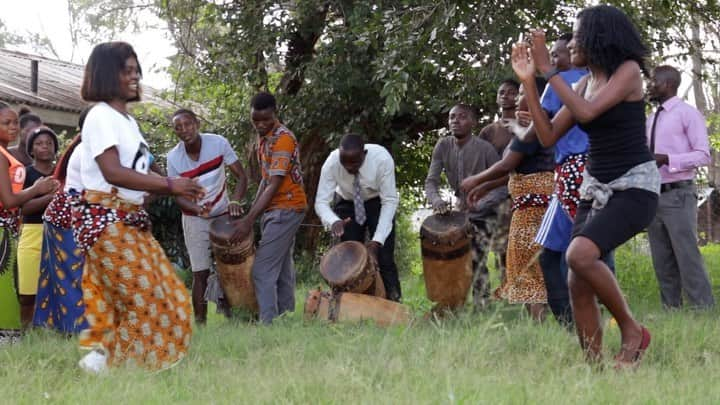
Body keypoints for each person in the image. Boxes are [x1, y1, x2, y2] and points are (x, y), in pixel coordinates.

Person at [512, 5, 659, 368]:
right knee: (577, 279)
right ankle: (594, 367)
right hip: (594, 189)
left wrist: (549, 70)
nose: (571, 42)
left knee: (578, 255)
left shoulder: (627, 72)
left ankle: (632, 331)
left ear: (599, 37)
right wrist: (531, 80)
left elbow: (589, 113)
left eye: (577, 35)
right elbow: (546, 136)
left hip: (634, 187)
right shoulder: (581, 82)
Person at [74, 41, 203, 373]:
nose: (135, 76)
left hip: (129, 220)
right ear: (106, 74)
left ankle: (106, 362)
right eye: (126, 70)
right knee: (141, 298)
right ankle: (121, 370)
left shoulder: (128, 122)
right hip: (106, 221)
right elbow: (113, 172)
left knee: (166, 293)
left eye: (136, 70)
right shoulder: (101, 116)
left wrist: (173, 192)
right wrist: (172, 185)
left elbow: (140, 174)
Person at [462, 80, 554, 320]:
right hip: (526, 200)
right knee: (524, 262)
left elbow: (507, 164)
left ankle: (540, 322)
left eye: (522, 93)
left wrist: (475, 180)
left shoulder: (534, 125)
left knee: (527, 263)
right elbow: (515, 170)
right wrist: (485, 187)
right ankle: (538, 319)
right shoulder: (529, 124)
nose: (516, 99)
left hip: (534, 203)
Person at [229, 92, 307, 324]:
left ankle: (268, 324)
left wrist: (249, 220)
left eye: (265, 120)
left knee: (262, 271)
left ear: (275, 113)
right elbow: (265, 178)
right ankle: (286, 318)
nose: (260, 125)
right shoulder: (265, 138)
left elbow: (274, 184)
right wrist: (252, 213)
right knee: (282, 268)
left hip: (287, 208)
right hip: (276, 209)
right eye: (256, 121)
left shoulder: (283, 139)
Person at [167, 108, 248, 325]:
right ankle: (201, 324)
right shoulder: (173, 157)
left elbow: (241, 176)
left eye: (188, 124)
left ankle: (236, 316)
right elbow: (178, 196)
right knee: (200, 273)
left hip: (222, 214)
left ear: (198, 123)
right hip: (194, 218)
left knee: (229, 268)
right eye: (178, 127)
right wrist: (197, 210)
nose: (185, 130)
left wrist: (235, 201)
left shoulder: (218, 143)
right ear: (175, 132)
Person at [646, 65, 715, 309]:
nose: (649, 85)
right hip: (653, 195)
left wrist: (668, 159)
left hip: (679, 194)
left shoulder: (687, 113)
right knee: (662, 259)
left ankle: (703, 310)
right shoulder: (651, 118)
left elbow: (703, 155)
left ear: (668, 84)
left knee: (687, 256)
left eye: (653, 81)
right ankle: (671, 311)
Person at [424, 104, 505, 308]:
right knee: (453, 258)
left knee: (476, 256)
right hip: (460, 212)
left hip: (485, 211)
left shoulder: (485, 149)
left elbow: (504, 185)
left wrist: (481, 203)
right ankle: (452, 303)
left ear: (473, 122)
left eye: (461, 117)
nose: (455, 121)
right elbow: (431, 181)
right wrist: (437, 201)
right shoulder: (443, 145)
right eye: (452, 117)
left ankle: (482, 304)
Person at [315, 133, 401, 302]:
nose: (349, 167)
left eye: (354, 162)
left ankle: (394, 301)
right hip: (347, 203)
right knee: (349, 259)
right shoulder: (332, 163)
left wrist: (377, 241)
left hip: (377, 202)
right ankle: (348, 304)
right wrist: (333, 221)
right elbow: (321, 202)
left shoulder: (382, 159)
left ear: (364, 154)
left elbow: (390, 201)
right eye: (344, 162)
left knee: (384, 256)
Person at [0, 102, 58, 344]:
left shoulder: (5, 154)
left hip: (9, 230)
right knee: (8, 290)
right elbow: (10, 200)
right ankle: (8, 341)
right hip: (4, 229)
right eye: (7, 123)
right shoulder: (2, 158)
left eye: (15, 122)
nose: (14, 127)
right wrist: (37, 189)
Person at [33, 110, 89, 334]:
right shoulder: (86, 150)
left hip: (76, 216)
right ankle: (75, 329)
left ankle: (57, 326)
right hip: (66, 219)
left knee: (68, 274)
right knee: (72, 274)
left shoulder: (96, 147)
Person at [17, 126, 59, 328]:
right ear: (31, 150)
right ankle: (25, 335)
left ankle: (52, 335)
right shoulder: (25, 173)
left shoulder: (62, 173)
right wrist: (50, 196)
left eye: (49, 143)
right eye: (39, 144)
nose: (45, 147)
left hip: (58, 235)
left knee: (56, 291)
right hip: (32, 233)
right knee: (27, 294)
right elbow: (24, 208)